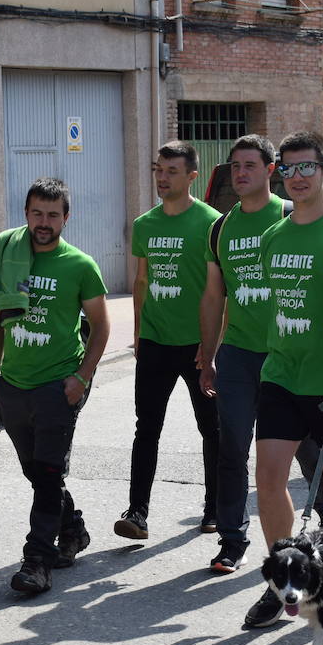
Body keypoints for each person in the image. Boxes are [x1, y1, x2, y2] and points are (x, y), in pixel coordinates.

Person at [243, 131, 323, 629]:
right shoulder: (274, 235)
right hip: (282, 375)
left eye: (307, 167)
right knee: (269, 479)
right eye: (289, 168)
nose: (296, 177)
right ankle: (281, 585)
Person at [198, 134, 323, 574]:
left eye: (250, 165)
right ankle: (232, 540)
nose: (240, 173)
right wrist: (207, 353)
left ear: (271, 171)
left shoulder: (292, 215)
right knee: (232, 447)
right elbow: (214, 296)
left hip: (287, 355)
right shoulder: (220, 227)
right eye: (235, 166)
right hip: (237, 354)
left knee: (306, 445)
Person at [0, 177, 110, 595]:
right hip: (14, 385)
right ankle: (72, 528)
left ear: (66, 218)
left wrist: (81, 378)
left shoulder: (79, 265)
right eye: (37, 213)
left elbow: (101, 326)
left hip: (60, 383)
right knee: (36, 472)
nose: (44, 222)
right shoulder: (8, 257)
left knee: (49, 471)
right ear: (26, 214)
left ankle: (37, 561)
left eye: (52, 215)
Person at [115, 141, 222, 541]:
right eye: (159, 169)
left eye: (172, 171)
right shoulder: (145, 224)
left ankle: (214, 509)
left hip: (199, 344)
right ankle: (137, 513)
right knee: (147, 428)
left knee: (211, 429)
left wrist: (213, 345)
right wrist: (140, 332)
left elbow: (220, 290)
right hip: (156, 342)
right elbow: (141, 281)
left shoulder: (212, 222)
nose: (162, 177)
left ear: (192, 176)